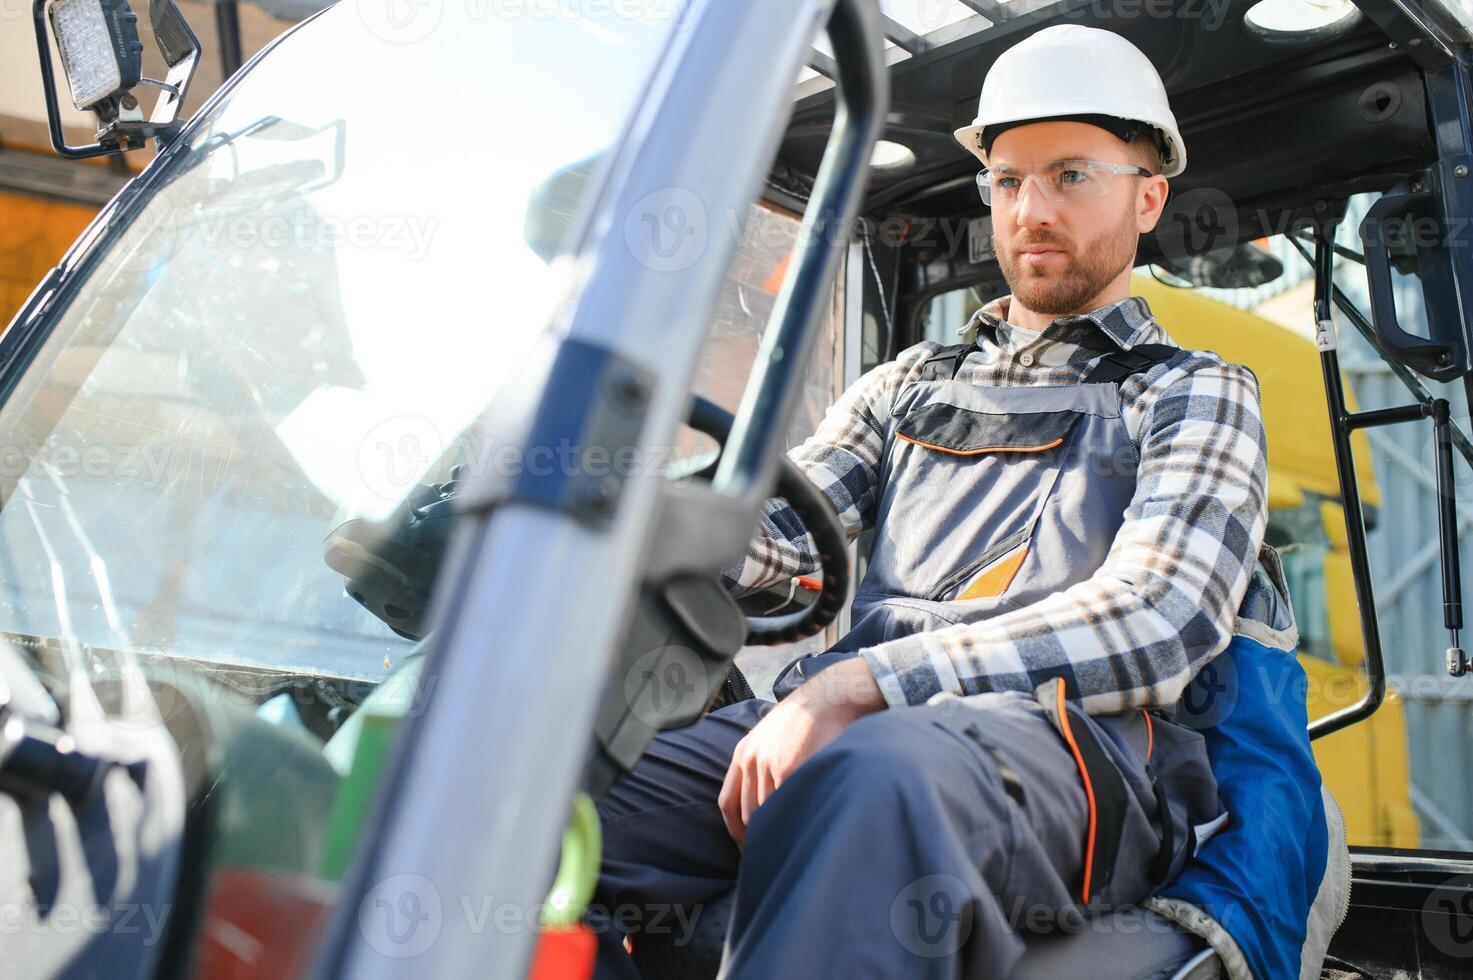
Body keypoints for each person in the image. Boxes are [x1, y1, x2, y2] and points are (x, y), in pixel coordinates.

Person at [592, 24, 1269, 979]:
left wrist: (860, 682)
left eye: (1071, 175)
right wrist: (634, 521)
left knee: (878, 781)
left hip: (1073, 748)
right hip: (860, 721)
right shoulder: (908, 383)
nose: (1031, 208)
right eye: (1007, 180)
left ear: (1148, 195)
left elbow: (1157, 619)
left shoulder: (1193, 390)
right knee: (554, 803)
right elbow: (782, 539)